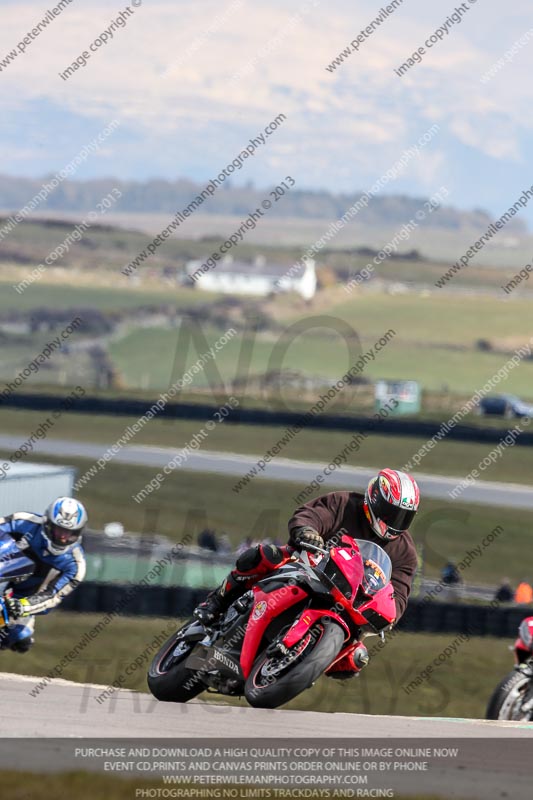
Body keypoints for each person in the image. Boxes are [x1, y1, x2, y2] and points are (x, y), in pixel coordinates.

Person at [194, 468, 420, 678]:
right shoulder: (344, 503)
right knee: (264, 555)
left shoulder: (405, 554)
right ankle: (215, 603)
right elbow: (311, 515)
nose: (395, 521)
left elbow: (398, 596)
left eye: (404, 516)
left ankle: (299, 665)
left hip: (350, 604)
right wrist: (307, 531)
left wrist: (389, 615)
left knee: (356, 659)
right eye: (391, 512)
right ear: (375, 499)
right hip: (309, 566)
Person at [0, 497, 87, 653]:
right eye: (59, 530)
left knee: (20, 640)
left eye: (69, 533)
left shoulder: (75, 564)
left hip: (21, 600)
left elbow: (52, 595)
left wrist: (23, 606)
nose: (63, 538)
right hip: (3, 576)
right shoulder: (23, 522)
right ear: (47, 524)